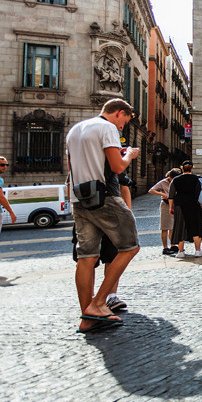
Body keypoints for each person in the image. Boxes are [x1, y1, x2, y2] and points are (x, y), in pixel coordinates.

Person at [65, 99, 141, 332]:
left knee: (86, 256)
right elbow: (117, 168)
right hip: (105, 195)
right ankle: (98, 303)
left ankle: (87, 318)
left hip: (79, 198)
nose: (122, 128)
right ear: (119, 113)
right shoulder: (107, 127)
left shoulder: (75, 130)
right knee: (130, 247)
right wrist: (129, 154)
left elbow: (73, 165)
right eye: (124, 123)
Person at [168, 161, 202, 258]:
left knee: (180, 228)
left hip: (179, 206)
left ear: (182, 168)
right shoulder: (197, 179)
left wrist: (170, 207)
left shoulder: (175, 180)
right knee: (195, 227)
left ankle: (181, 252)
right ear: (192, 168)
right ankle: (198, 251)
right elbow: (200, 193)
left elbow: (171, 195)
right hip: (194, 205)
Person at [148, 168, 181, 254]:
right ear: (169, 176)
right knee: (165, 227)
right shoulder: (163, 182)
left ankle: (173, 245)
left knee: (173, 227)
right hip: (166, 205)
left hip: (175, 205)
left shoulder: (177, 181)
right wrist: (163, 194)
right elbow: (151, 190)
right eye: (172, 178)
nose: (173, 180)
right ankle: (165, 248)